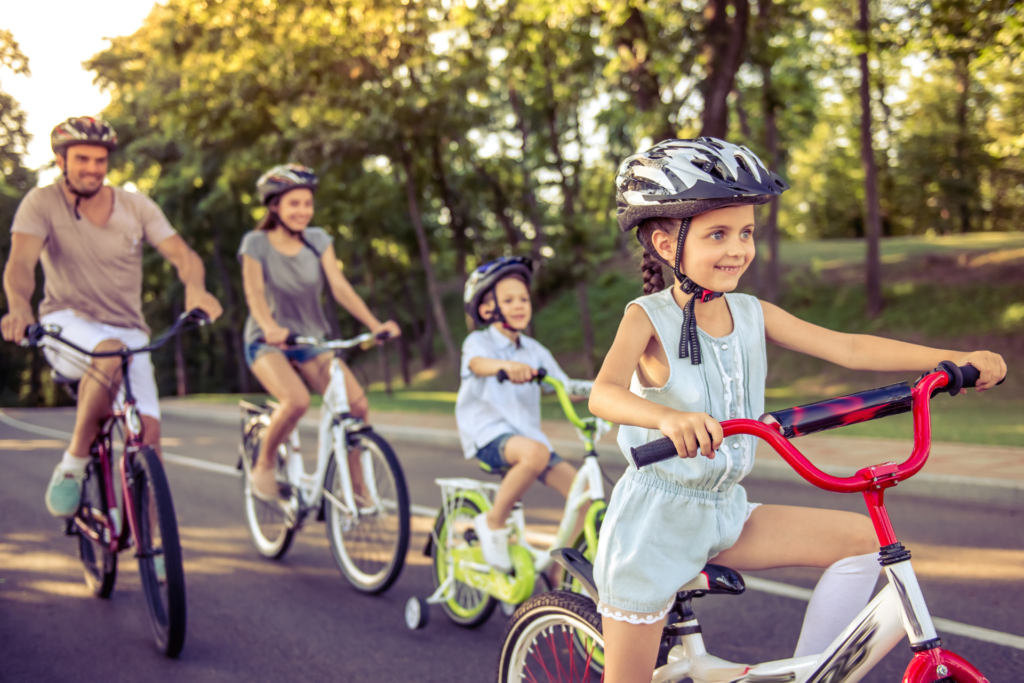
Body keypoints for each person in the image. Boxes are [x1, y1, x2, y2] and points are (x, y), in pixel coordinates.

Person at [588, 137, 1007, 682]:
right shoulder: (647, 317)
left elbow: (849, 348)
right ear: (667, 244)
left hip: (724, 512)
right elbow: (604, 393)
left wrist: (952, 361)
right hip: (655, 525)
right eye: (718, 234)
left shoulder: (752, 312)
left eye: (746, 233)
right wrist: (668, 418)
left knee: (861, 542)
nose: (738, 248)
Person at [0, 116, 224, 518]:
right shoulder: (41, 203)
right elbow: (20, 264)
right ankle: (73, 464)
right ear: (60, 160)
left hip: (129, 329)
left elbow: (183, 255)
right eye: (82, 159)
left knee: (149, 438)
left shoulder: (135, 205)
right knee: (109, 352)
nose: (92, 168)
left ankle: (148, 542)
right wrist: (19, 308)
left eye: (100, 160)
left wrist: (196, 288)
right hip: (65, 323)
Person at [239, 163, 400, 501]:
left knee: (357, 406)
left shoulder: (318, 241)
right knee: (295, 401)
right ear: (274, 206)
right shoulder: (256, 244)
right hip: (267, 342)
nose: (303, 211)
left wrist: (374, 326)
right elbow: (254, 293)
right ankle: (264, 464)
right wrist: (270, 328)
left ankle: (357, 489)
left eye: (307, 203)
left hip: (311, 340)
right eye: (294, 203)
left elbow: (339, 287)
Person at [456, 256, 588, 572]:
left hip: (530, 441)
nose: (519, 305)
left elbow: (566, 386)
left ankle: (560, 570)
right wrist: (505, 367)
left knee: (583, 495)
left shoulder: (534, 350)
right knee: (536, 453)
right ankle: (493, 522)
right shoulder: (479, 342)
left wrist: (608, 387)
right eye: (509, 300)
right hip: (488, 433)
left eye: (524, 299)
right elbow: (477, 365)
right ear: (488, 310)